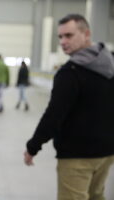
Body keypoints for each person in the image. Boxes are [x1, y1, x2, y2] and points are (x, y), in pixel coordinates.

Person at [24, 14, 114, 200]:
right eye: (60, 37)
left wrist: (33, 147)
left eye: (69, 35)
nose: (63, 41)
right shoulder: (111, 62)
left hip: (77, 156)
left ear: (86, 33)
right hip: (107, 152)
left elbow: (54, 116)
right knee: (96, 195)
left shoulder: (69, 73)